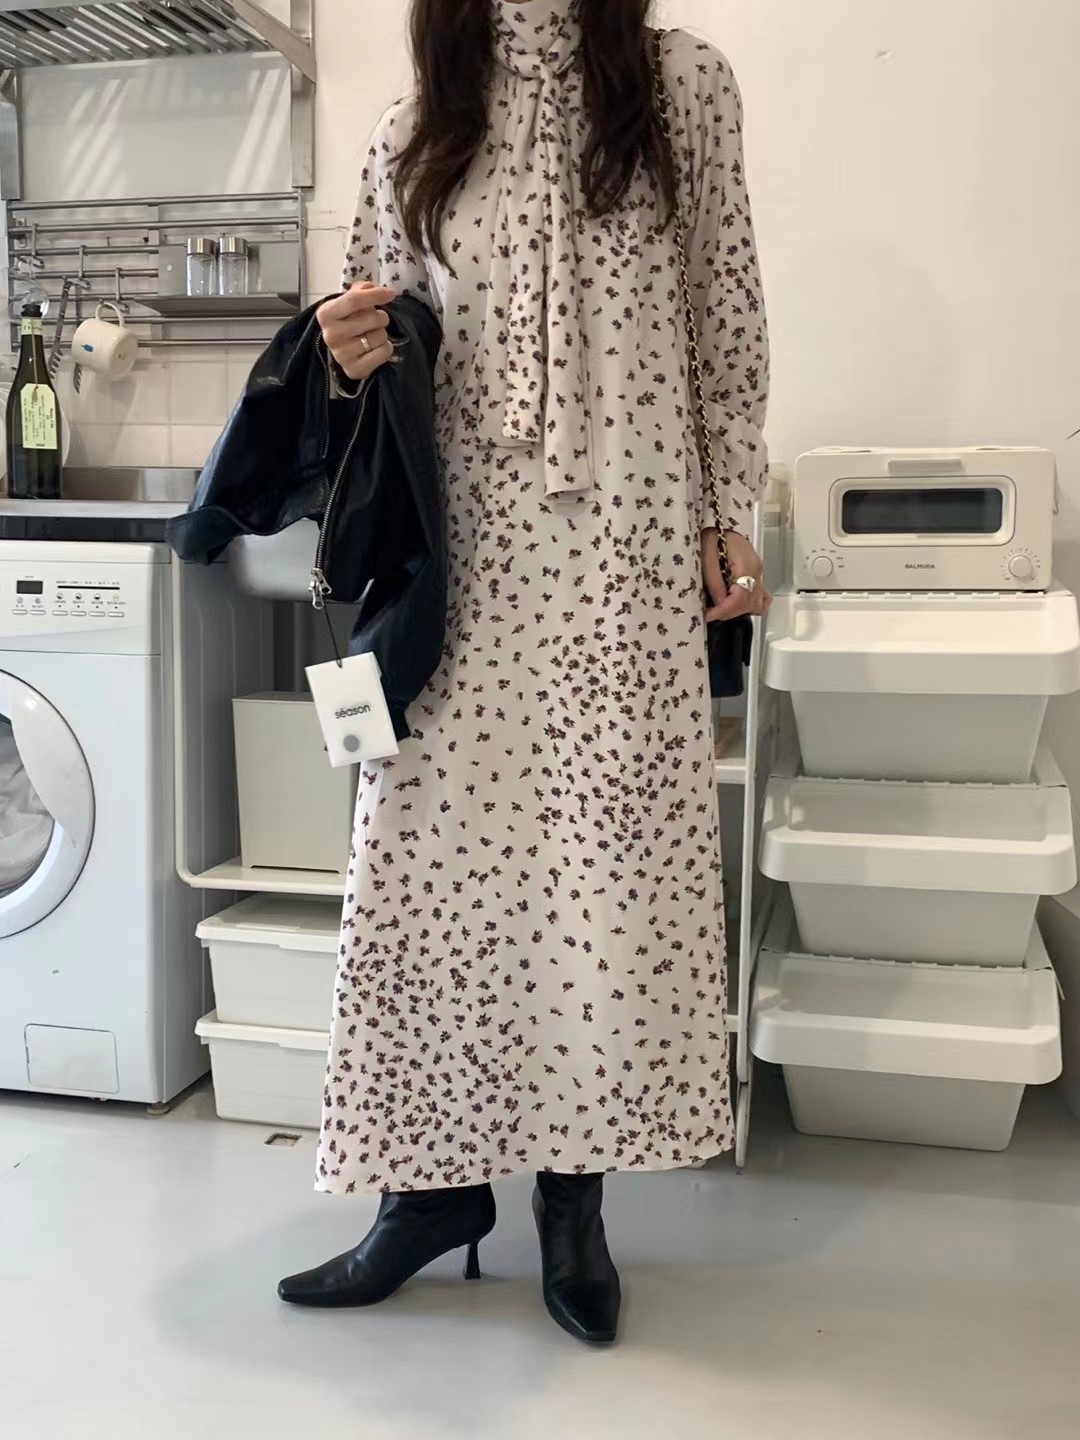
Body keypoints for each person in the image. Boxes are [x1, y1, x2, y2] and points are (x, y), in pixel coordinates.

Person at [279, 0, 770, 1345]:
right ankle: (427, 1193)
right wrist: (347, 344)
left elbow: (724, 317)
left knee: (600, 867)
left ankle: (572, 1199)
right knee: (426, 864)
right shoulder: (416, 117)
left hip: (624, 541)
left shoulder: (680, 85)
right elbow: (373, 336)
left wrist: (730, 512)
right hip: (462, 557)